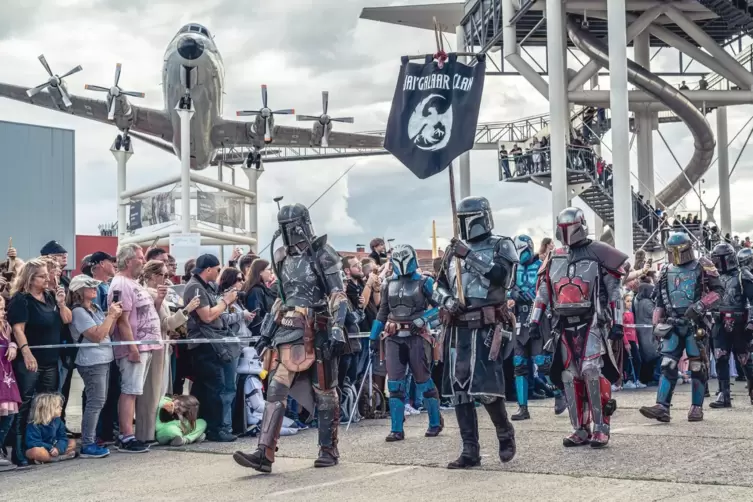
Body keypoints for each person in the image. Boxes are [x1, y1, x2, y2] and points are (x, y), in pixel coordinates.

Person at [233, 203, 349, 472]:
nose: (289, 232)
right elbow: (281, 300)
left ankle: (328, 449)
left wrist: (336, 328)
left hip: (318, 328)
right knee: (275, 388)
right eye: (285, 227)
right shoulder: (282, 257)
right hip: (288, 329)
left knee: (324, 392)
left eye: (293, 225)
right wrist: (265, 333)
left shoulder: (323, 254)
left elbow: (337, 294)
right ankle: (264, 452)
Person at [530, 207, 627, 448]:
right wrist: (534, 320)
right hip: (563, 325)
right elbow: (543, 292)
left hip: (592, 321)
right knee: (569, 375)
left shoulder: (600, 253)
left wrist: (617, 322)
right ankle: (579, 428)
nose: (566, 232)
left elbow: (615, 290)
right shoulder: (554, 257)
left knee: (592, 371)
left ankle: (601, 427)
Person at [434, 196, 519, 469]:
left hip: (487, 326)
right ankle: (470, 449)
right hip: (458, 326)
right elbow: (438, 286)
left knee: (486, 390)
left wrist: (468, 256)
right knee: (460, 391)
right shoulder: (452, 251)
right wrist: (447, 301)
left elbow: (503, 278)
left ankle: (504, 432)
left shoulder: (501, 245)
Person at [639, 232, 722, 423]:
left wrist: (701, 305)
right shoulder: (666, 269)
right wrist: (656, 323)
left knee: (696, 366)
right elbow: (660, 299)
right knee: (667, 365)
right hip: (673, 323)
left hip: (695, 323)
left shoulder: (703, 264)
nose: (676, 254)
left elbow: (719, 291)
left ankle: (696, 407)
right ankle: (662, 406)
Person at [369, 244, 442, 442]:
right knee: (395, 385)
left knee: (423, 381)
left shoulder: (425, 282)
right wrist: (373, 336)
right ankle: (396, 428)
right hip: (393, 336)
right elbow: (383, 311)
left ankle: (435, 422)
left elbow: (440, 307)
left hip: (417, 335)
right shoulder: (387, 284)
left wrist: (424, 318)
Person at [8, 259, 71, 466]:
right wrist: (26, 353)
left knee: (48, 403)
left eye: (47, 275)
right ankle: (19, 450)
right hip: (31, 359)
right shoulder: (21, 299)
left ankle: (46, 445)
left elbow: (67, 320)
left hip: (51, 360)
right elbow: (18, 329)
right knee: (25, 404)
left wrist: (61, 304)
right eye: (42, 276)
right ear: (30, 278)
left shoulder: (51, 297)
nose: (48, 279)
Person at [108, 243, 162, 453]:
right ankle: (126, 435)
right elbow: (122, 320)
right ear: (129, 260)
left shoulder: (133, 282)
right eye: (140, 258)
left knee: (135, 391)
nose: (143, 261)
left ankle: (131, 432)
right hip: (134, 347)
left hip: (145, 346)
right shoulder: (121, 284)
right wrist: (132, 348)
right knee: (129, 391)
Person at [183, 254, 240, 443]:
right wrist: (225, 302)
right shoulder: (195, 287)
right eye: (217, 269)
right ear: (207, 269)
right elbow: (207, 316)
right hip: (204, 344)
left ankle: (202, 425)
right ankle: (216, 430)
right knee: (216, 386)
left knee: (205, 388)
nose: (218, 273)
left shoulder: (204, 286)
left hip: (210, 342)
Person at [510, 234, 565, 420]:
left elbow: (550, 288)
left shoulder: (542, 265)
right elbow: (505, 288)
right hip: (519, 318)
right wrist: (514, 293)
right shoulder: (514, 267)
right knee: (519, 364)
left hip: (539, 317)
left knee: (542, 362)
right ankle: (522, 408)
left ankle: (559, 393)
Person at [67, 275, 122, 459]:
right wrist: (112, 316)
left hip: (104, 358)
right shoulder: (78, 312)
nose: (94, 289)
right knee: (95, 401)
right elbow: (97, 336)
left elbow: (108, 332)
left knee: (99, 400)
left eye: (95, 286)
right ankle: (88, 443)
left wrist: (112, 318)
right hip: (91, 361)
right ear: (79, 291)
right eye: (89, 286)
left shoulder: (96, 307)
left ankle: (91, 438)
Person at [707, 243, 753, 409]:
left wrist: (751, 322)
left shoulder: (743, 275)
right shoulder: (713, 277)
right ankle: (723, 394)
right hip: (719, 322)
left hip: (740, 324)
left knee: (745, 359)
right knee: (720, 358)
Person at [0, 295, 21, 471]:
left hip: (6, 377)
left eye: (3, 308)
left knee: (9, 415)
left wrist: (13, 346)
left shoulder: (5, 326)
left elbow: (10, 340)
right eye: (0, 309)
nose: (3, 312)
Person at [24, 393, 76, 464]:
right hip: (44, 448)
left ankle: (51, 458)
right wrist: (50, 448)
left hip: (54, 447)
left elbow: (63, 437)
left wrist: (58, 449)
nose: (61, 408)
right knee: (36, 452)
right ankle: (53, 458)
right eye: (58, 407)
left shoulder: (58, 421)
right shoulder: (34, 425)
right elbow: (33, 442)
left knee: (72, 442)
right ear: (47, 410)